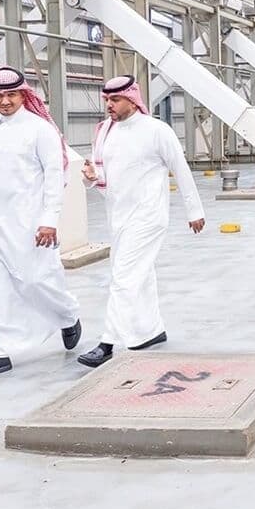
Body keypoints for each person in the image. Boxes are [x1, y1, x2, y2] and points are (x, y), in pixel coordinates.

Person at [0, 67, 82, 383]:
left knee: (33, 280)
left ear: (23, 94)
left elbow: (55, 178)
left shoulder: (40, 130)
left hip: (29, 223)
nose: (4, 101)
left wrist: (49, 220)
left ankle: (67, 316)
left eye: (10, 94)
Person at [76, 76, 204, 367]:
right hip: (117, 216)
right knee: (140, 275)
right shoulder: (104, 132)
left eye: (115, 100)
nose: (109, 105)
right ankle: (150, 331)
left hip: (148, 216)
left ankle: (107, 343)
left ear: (132, 99)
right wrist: (91, 179)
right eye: (106, 100)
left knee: (123, 277)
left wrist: (194, 210)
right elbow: (102, 178)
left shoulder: (157, 130)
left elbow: (180, 169)